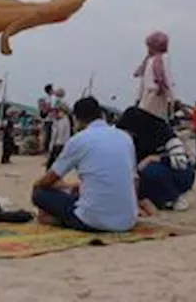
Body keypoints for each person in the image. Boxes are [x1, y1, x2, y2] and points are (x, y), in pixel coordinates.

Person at [32, 97, 139, 232]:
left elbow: (48, 180)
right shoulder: (124, 138)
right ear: (101, 114)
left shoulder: (79, 140)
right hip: (127, 221)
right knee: (78, 191)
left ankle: (56, 220)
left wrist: (38, 185)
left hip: (92, 220)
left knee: (39, 193)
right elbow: (134, 181)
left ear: (77, 120)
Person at [116, 106, 196, 211]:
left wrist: (152, 158)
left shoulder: (164, 133)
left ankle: (174, 196)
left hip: (178, 172)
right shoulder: (132, 140)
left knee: (151, 171)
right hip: (145, 175)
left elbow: (181, 162)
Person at [134, 31, 173, 119]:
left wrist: (138, 97)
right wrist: (171, 97)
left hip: (149, 96)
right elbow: (166, 79)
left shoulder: (149, 60)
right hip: (157, 95)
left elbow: (143, 82)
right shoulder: (161, 59)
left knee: (146, 120)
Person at [46, 100, 71, 169]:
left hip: (59, 144)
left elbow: (57, 135)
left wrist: (51, 146)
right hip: (60, 143)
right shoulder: (61, 120)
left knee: (54, 165)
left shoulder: (62, 121)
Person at [38, 84, 55, 152]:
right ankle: (46, 149)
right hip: (49, 118)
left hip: (47, 119)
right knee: (49, 134)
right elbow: (48, 107)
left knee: (47, 134)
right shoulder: (48, 98)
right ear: (50, 90)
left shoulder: (45, 98)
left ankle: (45, 148)